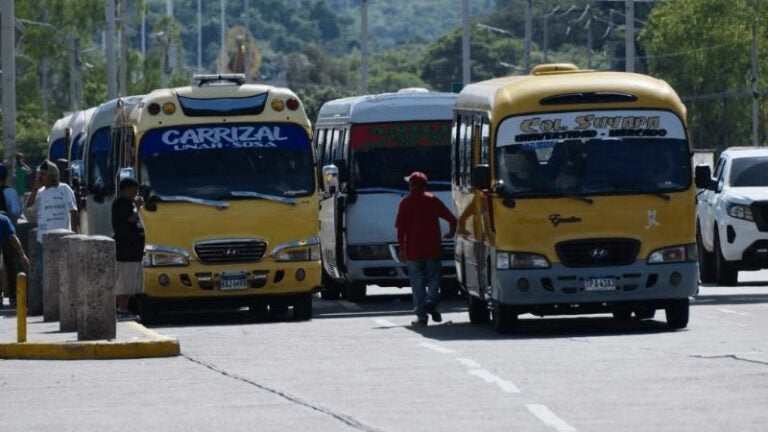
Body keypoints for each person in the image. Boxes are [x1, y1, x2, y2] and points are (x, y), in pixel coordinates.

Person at [395, 171, 457, 326]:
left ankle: (422, 316)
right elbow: (452, 219)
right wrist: (450, 233)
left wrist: (402, 248)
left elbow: (400, 229)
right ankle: (431, 300)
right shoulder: (432, 200)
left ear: (411, 185)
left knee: (417, 283)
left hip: (413, 249)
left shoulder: (405, 202)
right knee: (434, 278)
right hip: (432, 248)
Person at [26, 160, 78, 314]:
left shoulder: (64, 189)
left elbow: (73, 211)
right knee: (45, 274)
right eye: (39, 174)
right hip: (43, 239)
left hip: (62, 238)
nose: (40, 177)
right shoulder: (40, 192)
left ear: (52, 175)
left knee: (64, 273)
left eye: (43, 174)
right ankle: (48, 306)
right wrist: (35, 188)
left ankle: (65, 306)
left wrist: (74, 233)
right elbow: (28, 207)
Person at [111, 177, 145, 321]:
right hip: (125, 250)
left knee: (131, 282)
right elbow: (130, 219)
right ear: (126, 189)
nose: (135, 194)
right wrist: (136, 206)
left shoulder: (129, 203)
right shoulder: (121, 203)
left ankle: (125, 308)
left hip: (134, 251)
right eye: (133, 191)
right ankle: (121, 309)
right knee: (124, 282)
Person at [0, 164, 23, 305]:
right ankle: (13, 295)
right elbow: (16, 211)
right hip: (7, 230)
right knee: (10, 263)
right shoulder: (11, 192)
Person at [0, 212, 30, 306]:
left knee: (9, 261)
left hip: (3, 246)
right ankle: (12, 296)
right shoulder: (3, 219)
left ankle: (12, 295)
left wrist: (22, 255)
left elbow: (13, 238)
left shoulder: (3, 220)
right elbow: (13, 238)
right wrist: (22, 255)